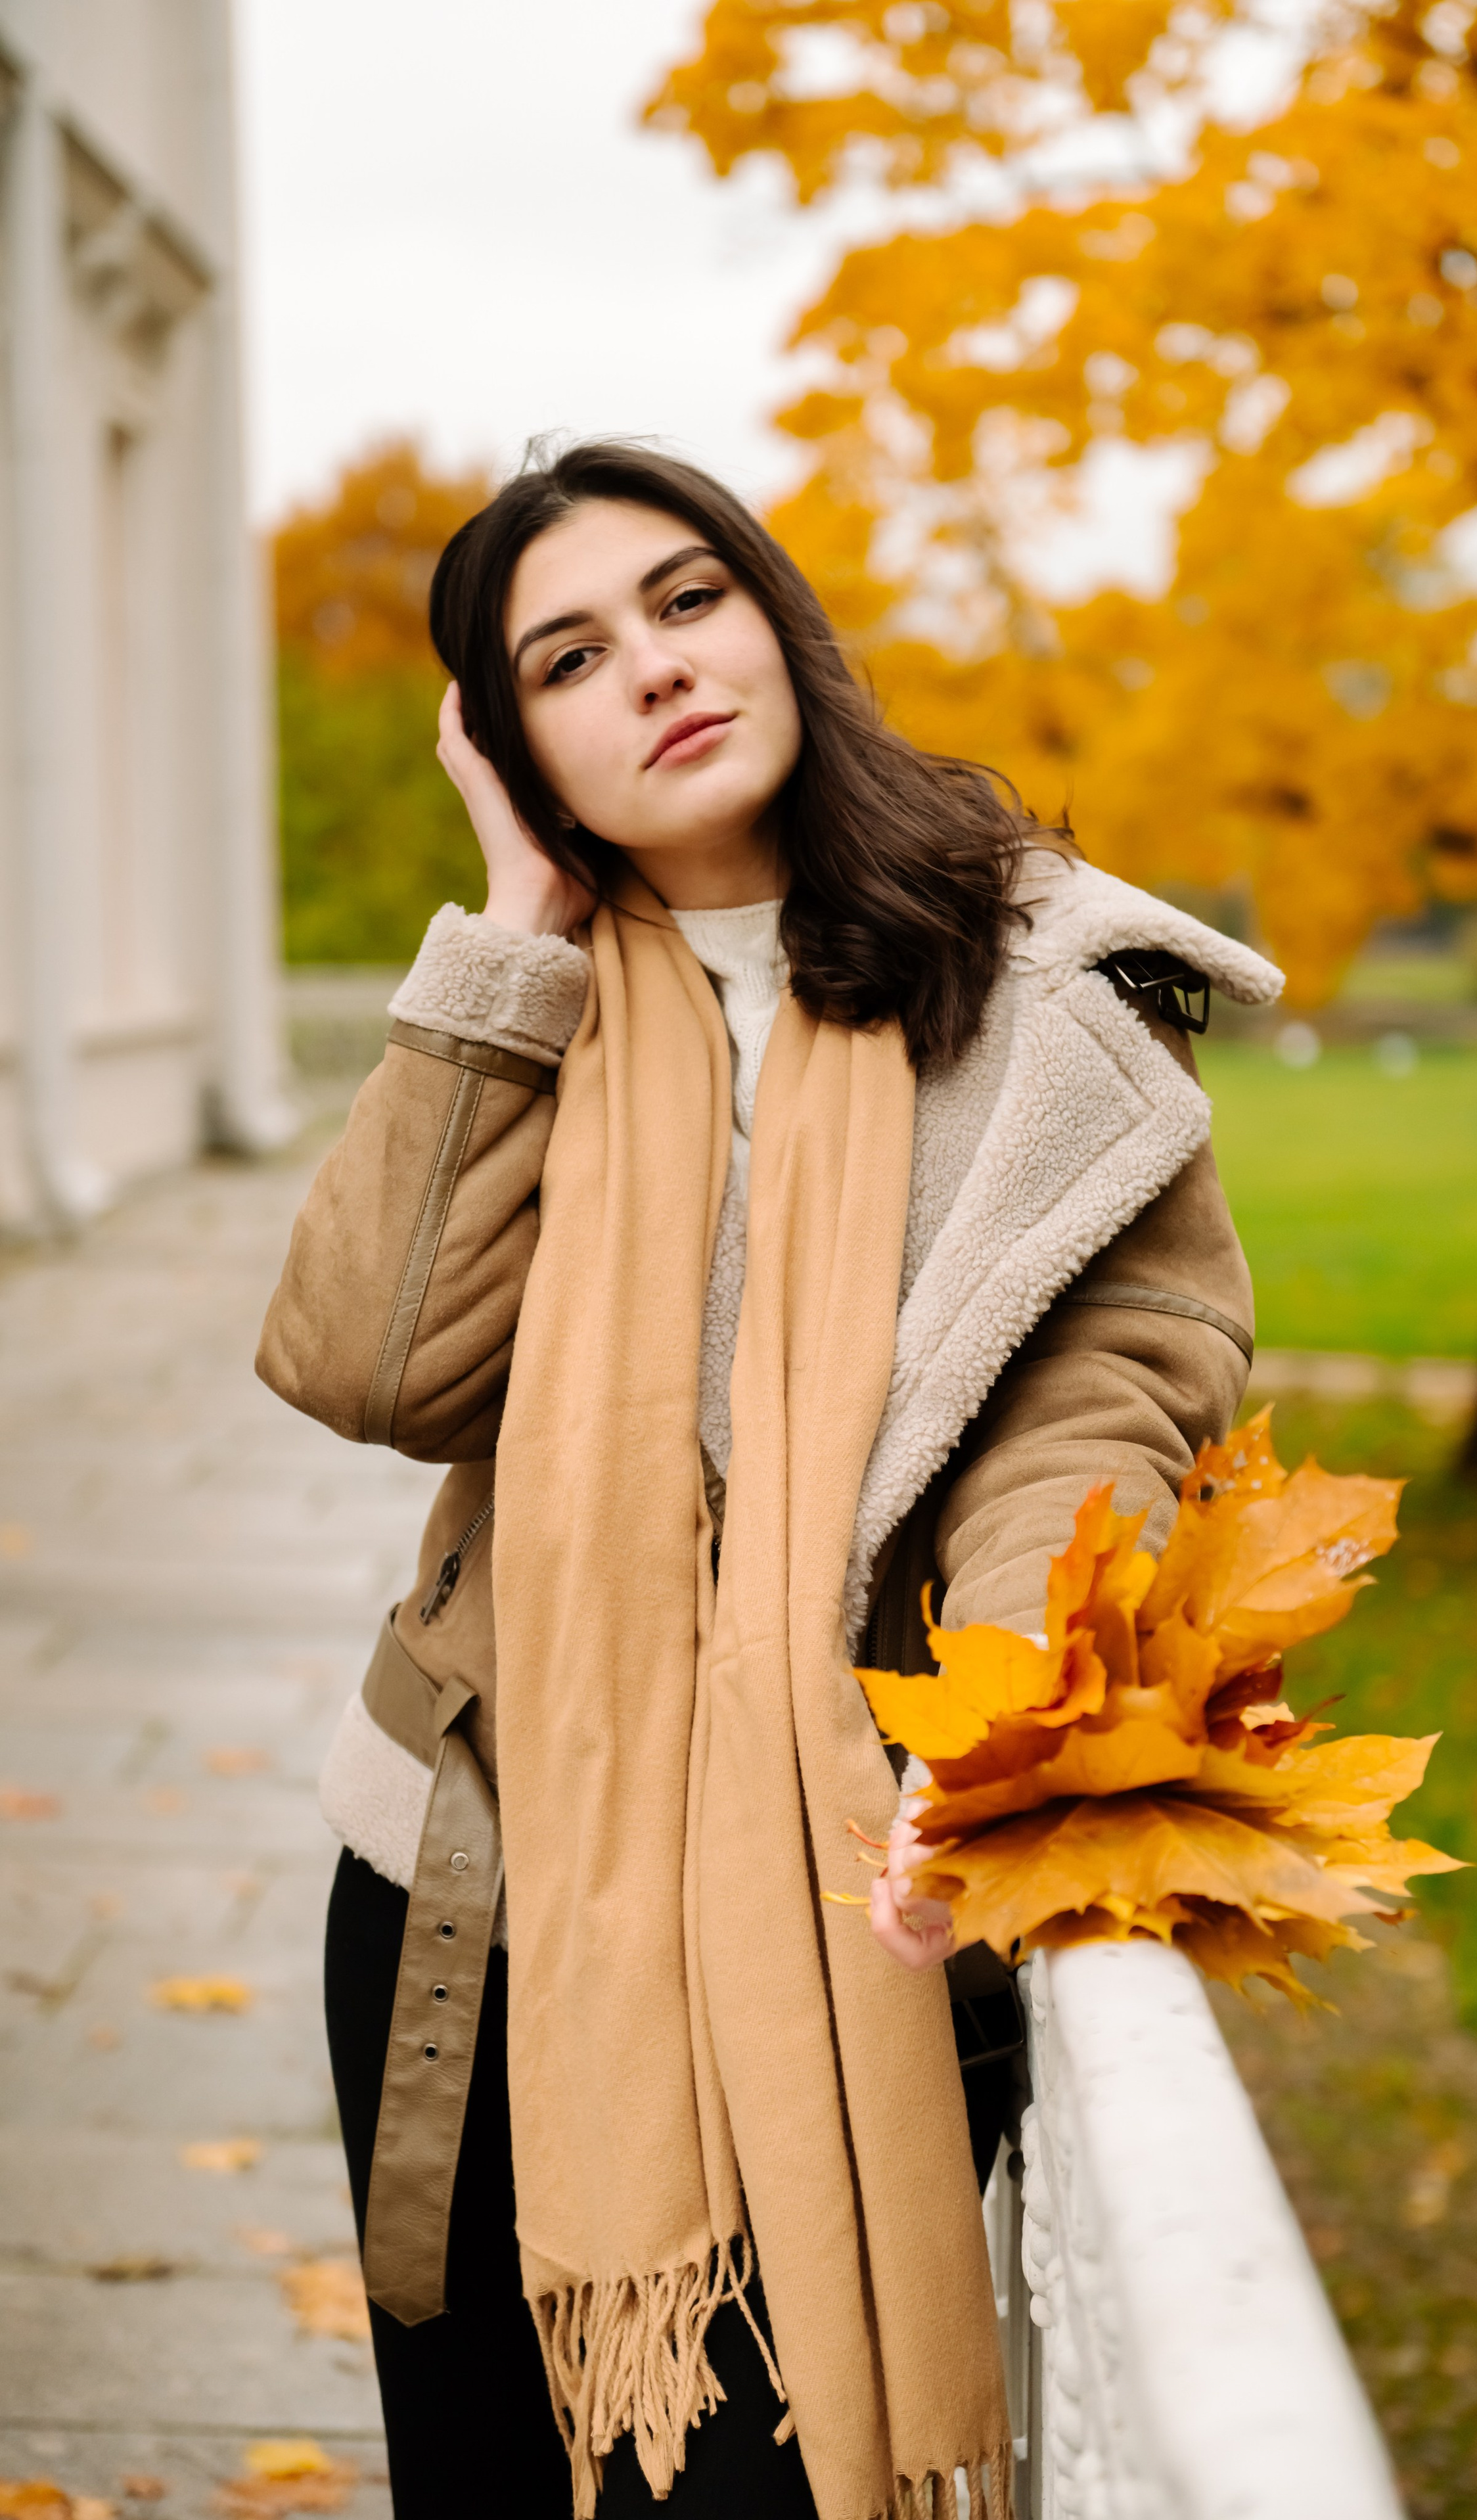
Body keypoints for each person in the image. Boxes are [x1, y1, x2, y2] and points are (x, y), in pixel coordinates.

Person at [256, 439, 1280, 2520]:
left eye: (687, 596)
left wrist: (1001, 1707)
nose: (651, 667)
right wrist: (517, 930)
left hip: (855, 1915)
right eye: (568, 655)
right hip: (476, 1893)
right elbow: (366, 1357)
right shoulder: (539, 1009)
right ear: (519, 745)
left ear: (775, 616)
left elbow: (1096, 1410)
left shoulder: (1035, 995)